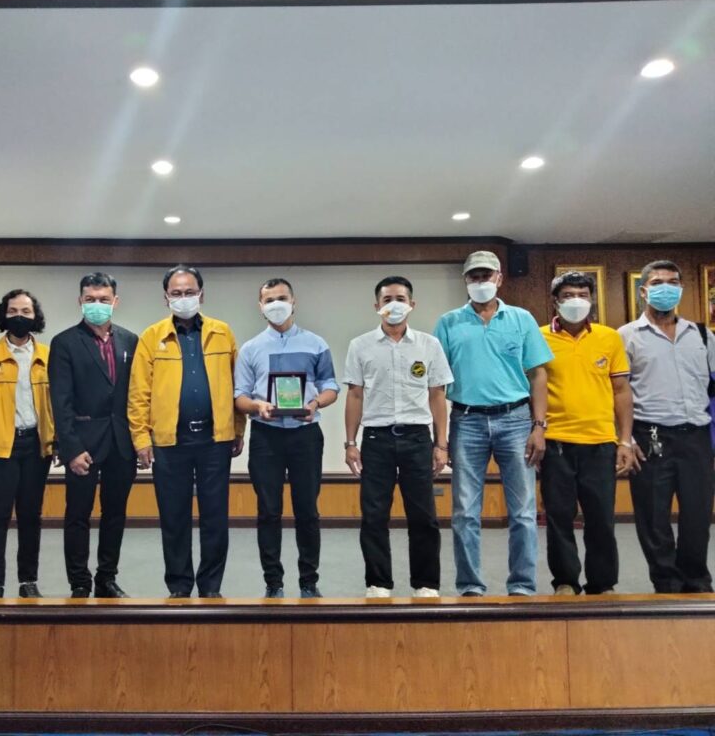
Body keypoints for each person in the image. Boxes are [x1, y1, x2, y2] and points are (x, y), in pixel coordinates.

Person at [433, 250, 553, 596]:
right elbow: (436, 384)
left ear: (499, 278)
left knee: (523, 511)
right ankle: (470, 585)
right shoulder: (448, 323)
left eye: (486, 276)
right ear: (465, 281)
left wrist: (539, 426)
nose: (481, 282)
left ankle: (522, 585)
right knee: (464, 512)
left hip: (516, 420)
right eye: (474, 276)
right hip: (466, 420)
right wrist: (440, 439)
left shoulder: (522, 319)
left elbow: (538, 374)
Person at [128, 265, 245, 598]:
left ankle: (210, 587)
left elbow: (238, 385)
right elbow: (138, 393)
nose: (184, 298)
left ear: (201, 295)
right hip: (169, 442)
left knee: (215, 517)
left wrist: (238, 428)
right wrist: (141, 439)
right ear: (166, 298)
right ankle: (179, 586)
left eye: (190, 292)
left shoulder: (223, 333)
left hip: (214, 441)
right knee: (174, 517)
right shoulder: (151, 337)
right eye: (176, 293)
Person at [343, 276, 452, 598]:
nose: (394, 305)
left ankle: (426, 583)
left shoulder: (429, 345)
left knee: (424, 516)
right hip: (376, 439)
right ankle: (378, 583)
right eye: (387, 299)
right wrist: (350, 443)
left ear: (412, 305)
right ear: (376, 306)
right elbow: (355, 396)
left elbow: (437, 395)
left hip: (417, 438)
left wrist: (441, 444)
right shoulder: (360, 345)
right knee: (374, 515)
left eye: (400, 299)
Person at [234, 278, 339, 598]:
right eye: (269, 300)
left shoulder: (316, 344)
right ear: (260, 306)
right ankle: (273, 583)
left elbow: (331, 387)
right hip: (266, 436)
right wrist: (258, 406)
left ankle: (309, 581)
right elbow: (239, 397)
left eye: (282, 298)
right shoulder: (250, 348)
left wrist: (315, 404)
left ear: (294, 302)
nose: (276, 304)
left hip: (305, 434)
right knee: (268, 511)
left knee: (307, 510)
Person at [619, 259, 715, 593]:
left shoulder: (701, 335)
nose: (666, 288)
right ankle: (667, 584)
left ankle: (696, 581)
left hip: (696, 436)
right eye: (658, 282)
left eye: (673, 282)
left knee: (698, 515)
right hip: (650, 436)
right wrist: (626, 440)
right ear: (643, 291)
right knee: (653, 517)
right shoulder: (626, 337)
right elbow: (617, 392)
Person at [540, 271, 635, 595]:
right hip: (556, 441)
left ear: (592, 300)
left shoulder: (609, 338)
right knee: (558, 517)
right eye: (568, 295)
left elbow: (621, 391)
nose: (576, 301)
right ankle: (565, 581)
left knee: (601, 517)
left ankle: (602, 582)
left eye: (582, 295)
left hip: (600, 442)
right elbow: (532, 388)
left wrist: (625, 440)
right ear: (555, 301)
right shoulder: (538, 337)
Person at [48, 273, 138, 599]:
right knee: (78, 515)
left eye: (103, 299)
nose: (97, 304)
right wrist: (70, 448)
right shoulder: (64, 342)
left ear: (115, 301)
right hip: (82, 444)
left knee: (115, 514)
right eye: (90, 299)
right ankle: (79, 581)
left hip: (121, 442)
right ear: (80, 301)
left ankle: (106, 577)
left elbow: (137, 395)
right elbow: (60, 401)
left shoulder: (131, 341)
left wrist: (140, 440)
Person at [0, 289, 56, 598]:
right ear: (3, 315)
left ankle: (28, 581)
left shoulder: (47, 356)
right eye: (13, 311)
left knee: (31, 517)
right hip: (0, 448)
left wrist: (57, 441)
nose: (20, 316)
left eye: (26, 311)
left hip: (36, 446)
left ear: (35, 316)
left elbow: (57, 403)